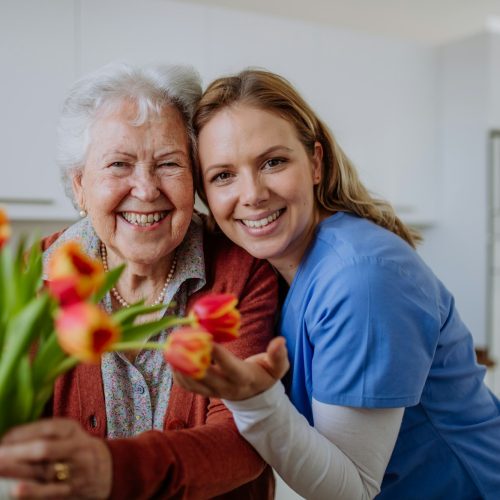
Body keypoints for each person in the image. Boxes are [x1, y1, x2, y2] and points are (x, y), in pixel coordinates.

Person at [174, 69, 500, 499]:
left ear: (315, 163)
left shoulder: (360, 280)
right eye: (223, 176)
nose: (252, 194)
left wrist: (253, 400)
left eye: (273, 162)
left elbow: (353, 490)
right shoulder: (275, 268)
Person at [0, 64, 279, 499]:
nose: (146, 190)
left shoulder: (241, 271)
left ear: (194, 179)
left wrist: (111, 469)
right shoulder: (35, 276)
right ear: (79, 186)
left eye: (169, 163)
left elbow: (248, 436)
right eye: (119, 164)